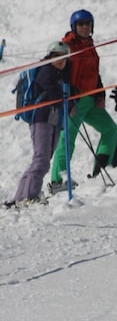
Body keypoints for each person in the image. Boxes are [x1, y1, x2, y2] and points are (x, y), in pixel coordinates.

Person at [48, 9, 117, 190]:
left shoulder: (90, 46)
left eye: (88, 23)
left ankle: (101, 170)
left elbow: (95, 74)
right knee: (67, 138)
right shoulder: (66, 46)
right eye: (81, 24)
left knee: (109, 128)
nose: (85, 27)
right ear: (74, 26)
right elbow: (57, 72)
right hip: (73, 100)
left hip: (90, 100)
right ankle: (57, 181)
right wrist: (69, 99)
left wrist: (100, 94)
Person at [4, 42, 71, 208]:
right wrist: (69, 103)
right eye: (57, 56)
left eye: (64, 56)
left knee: (42, 159)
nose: (61, 60)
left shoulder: (60, 73)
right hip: (42, 118)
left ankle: (21, 196)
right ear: (50, 56)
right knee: (41, 159)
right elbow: (53, 93)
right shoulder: (46, 71)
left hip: (54, 119)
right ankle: (29, 195)